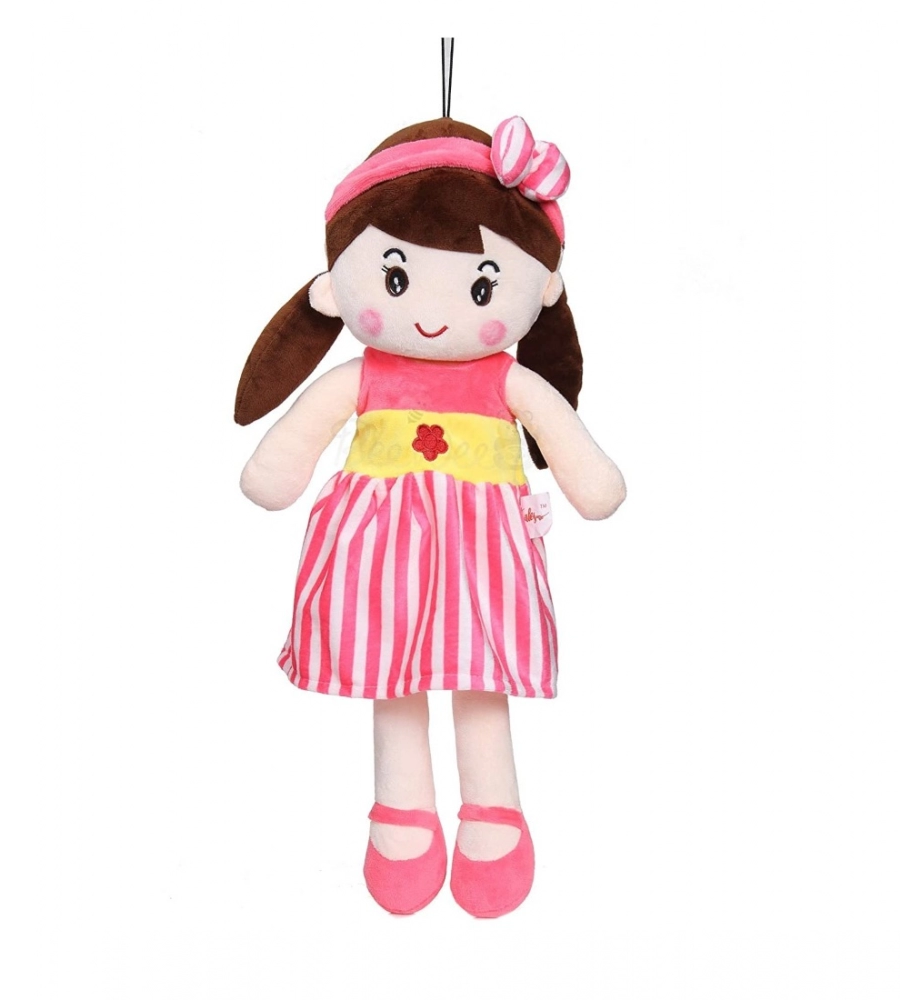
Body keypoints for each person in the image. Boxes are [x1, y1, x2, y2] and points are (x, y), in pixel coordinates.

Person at [235, 115, 626, 917]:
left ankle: (493, 813)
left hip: (482, 551)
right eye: (396, 279)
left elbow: (587, 471)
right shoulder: (364, 376)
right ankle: (402, 812)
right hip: (381, 553)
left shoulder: (506, 381)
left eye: (483, 288)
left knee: (480, 678)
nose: (435, 315)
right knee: (394, 673)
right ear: (334, 285)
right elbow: (283, 460)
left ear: (541, 290)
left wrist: (591, 482)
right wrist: (277, 473)